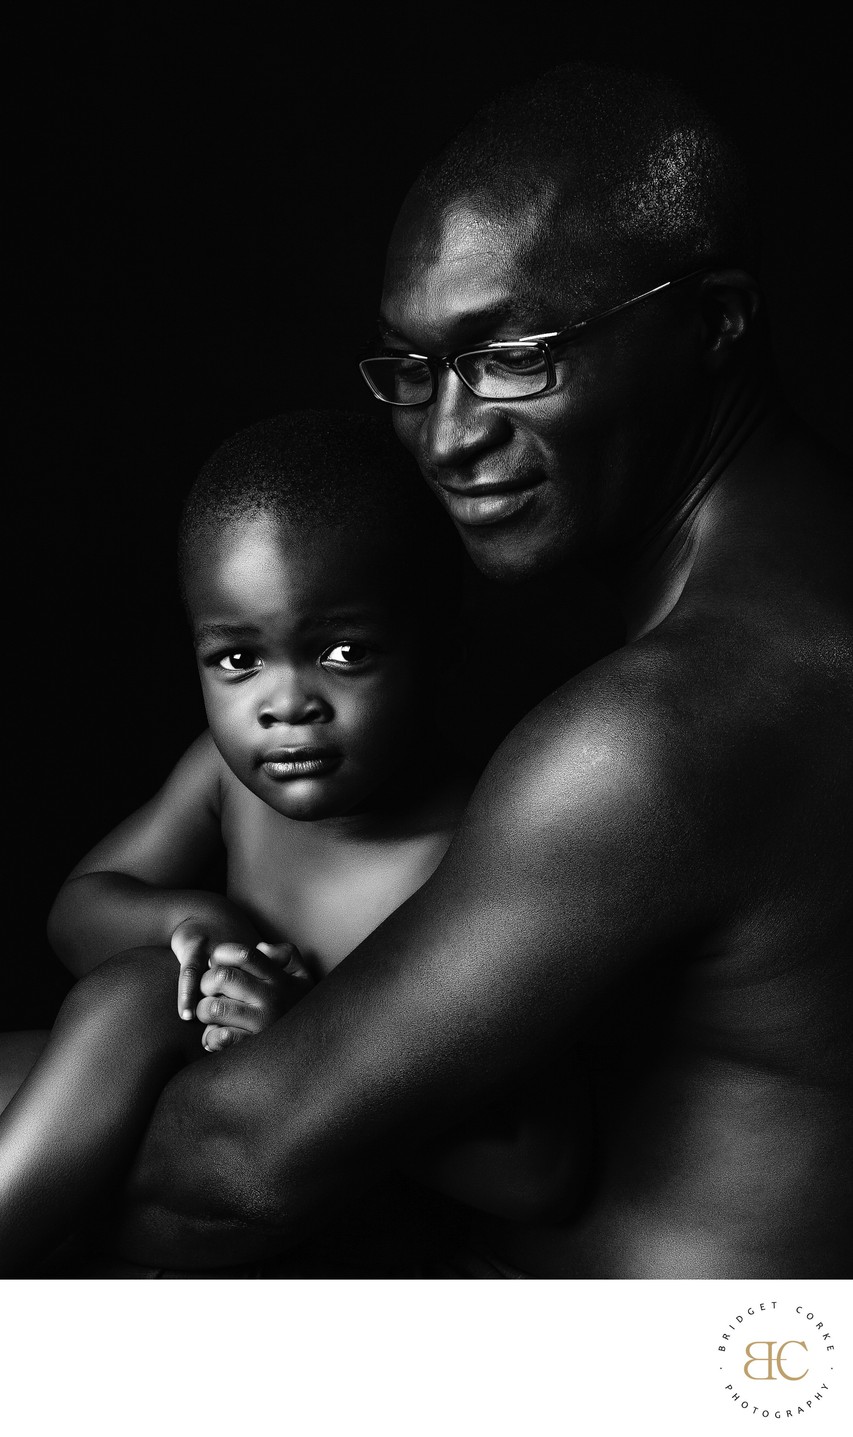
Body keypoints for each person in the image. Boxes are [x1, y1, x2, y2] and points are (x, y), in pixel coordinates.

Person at [13, 63, 853, 1277]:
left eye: (513, 352)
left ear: (716, 319)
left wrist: (142, 1021)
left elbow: (237, 1172)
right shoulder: (796, 598)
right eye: (413, 372)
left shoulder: (668, 721)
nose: (448, 438)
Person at [0, 411, 585, 1275]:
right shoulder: (227, 778)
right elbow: (78, 911)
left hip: (335, 1209)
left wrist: (308, 1037)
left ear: (440, 647)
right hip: (186, 1129)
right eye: (238, 660)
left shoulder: (475, 848)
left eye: (343, 652)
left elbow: (539, 1171)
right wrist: (198, 924)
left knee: (136, 1000)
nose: (285, 705)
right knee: (121, 999)